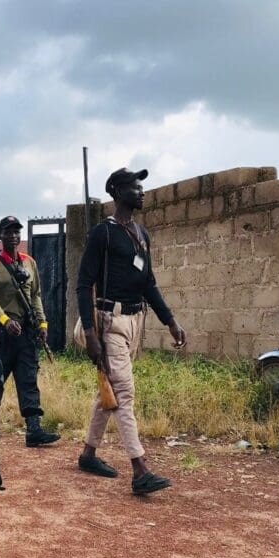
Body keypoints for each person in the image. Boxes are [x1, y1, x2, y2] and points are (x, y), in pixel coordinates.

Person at [76, 167, 186, 496]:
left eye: (141, 186)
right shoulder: (103, 234)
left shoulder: (141, 234)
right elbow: (84, 285)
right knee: (124, 394)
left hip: (135, 322)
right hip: (109, 322)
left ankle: (88, 454)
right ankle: (139, 470)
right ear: (116, 192)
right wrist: (91, 334)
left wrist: (170, 321)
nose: (141, 192)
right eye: (134, 187)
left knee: (108, 393)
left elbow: (148, 283)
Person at [0, 215, 60, 447]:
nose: (13, 236)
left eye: (17, 232)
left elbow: (35, 295)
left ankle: (34, 430)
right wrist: (5, 320)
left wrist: (42, 323)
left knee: (28, 378)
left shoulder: (29, 262)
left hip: (26, 331)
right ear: (0, 236)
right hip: (2, 332)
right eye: (8, 232)